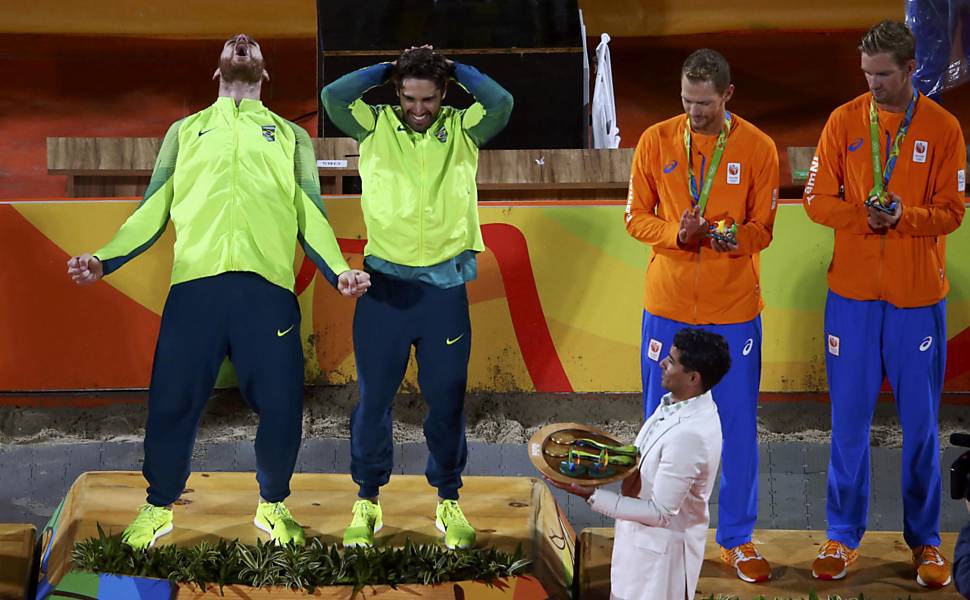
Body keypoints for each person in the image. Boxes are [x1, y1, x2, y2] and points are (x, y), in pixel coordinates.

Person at [67, 33, 370, 549]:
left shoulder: (291, 137)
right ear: (218, 70)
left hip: (266, 292)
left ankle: (273, 508)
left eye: (250, 44)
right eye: (233, 43)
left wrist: (338, 269)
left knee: (279, 406)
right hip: (196, 290)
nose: (242, 41)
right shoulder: (184, 132)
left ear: (265, 72)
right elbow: (153, 208)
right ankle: (158, 507)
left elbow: (309, 214)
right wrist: (104, 258)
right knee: (171, 404)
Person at [320, 46, 513, 549]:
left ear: (443, 93)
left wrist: (457, 69)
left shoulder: (464, 127)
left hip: (444, 293)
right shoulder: (375, 124)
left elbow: (502, 102)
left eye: (428, 98)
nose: (419, 108)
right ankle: (367, 499)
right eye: (409, 97)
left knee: (446, 403)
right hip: (385, 291)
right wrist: (387, 69)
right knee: (373, 403)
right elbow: (333, 96)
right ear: (397, 94)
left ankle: (448, 500)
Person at [803, 20, 966, 587]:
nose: (872, 84)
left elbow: (952, 211)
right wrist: (861, 217)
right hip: (851, 298)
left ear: (911, 68)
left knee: (921, 426)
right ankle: (843, 538)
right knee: (848, 424)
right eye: (866, 74)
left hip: (916, 299)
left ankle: (924, 542)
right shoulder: (843, 122)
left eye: (883, 75)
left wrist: (905, 218)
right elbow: (816, 199)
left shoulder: (944, 129)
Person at [623, 48, 779, 582]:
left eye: (706, 104)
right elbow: (636, 218)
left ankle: (736, 539)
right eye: (688, 102)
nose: (695, 113)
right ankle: (651, 523)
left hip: (732, 310)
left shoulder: (758, 147)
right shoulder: (655, 140)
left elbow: (764, 228)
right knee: (658, 422)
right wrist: (675, 235)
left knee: (735, 426)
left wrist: (729, 237)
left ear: (727, 96)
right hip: (666, 307)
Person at [550, 327, 728, 600]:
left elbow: (660, 513)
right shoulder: (675, 403)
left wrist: (592, 495)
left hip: (660, 565)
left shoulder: (690, 437)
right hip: (641, 549)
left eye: (671, 360)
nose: (662, 363)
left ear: (693, 377)